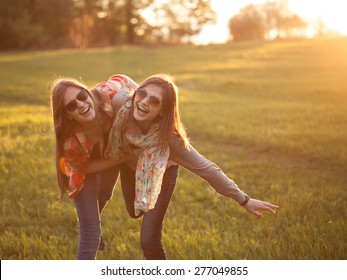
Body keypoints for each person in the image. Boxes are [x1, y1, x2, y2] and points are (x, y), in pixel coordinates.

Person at [104, 73, 280, 260]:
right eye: (142, 93)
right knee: (134, 212)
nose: (145, 102)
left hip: (161, 173)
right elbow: (117, 81)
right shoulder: (122, 103)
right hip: (130, 167)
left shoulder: (170, 140)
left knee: (148, 240)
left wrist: (244, 199)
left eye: (154, 101)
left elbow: (208, 169)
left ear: (163, 111)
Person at [50, 74, 138, 259]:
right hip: (82, 171)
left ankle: (90, 218)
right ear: (67, 114)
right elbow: (84, 169)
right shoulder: (70, 141)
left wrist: (140, 99)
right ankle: (89, 225)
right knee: (90, 234)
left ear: (87, 92)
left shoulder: (106, 95)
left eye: (82, 96)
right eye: (71, 105)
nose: (81, 104)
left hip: (107, 152)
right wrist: (122, 157)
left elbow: (122, 77)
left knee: (105, 194)